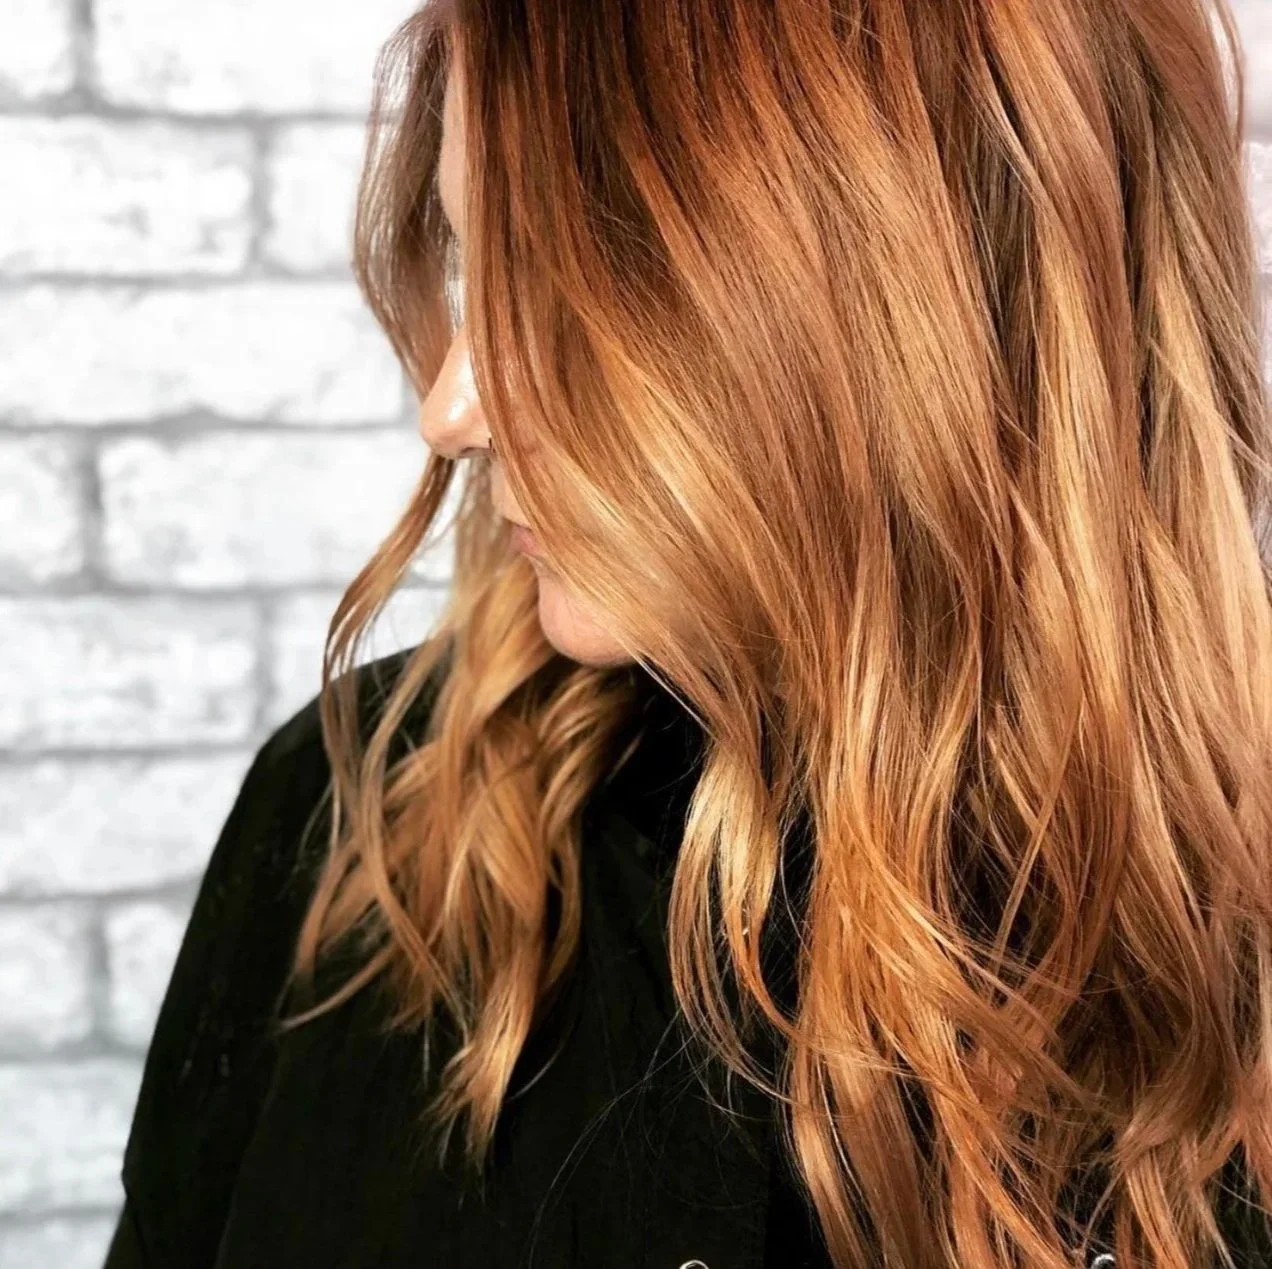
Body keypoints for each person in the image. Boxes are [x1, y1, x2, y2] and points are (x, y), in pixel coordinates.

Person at [104, 0, 1272, 1265]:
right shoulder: (356, 823)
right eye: (472, 266)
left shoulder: (1221, 966)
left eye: (564, 294)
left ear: (894, 321)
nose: (452, 412)